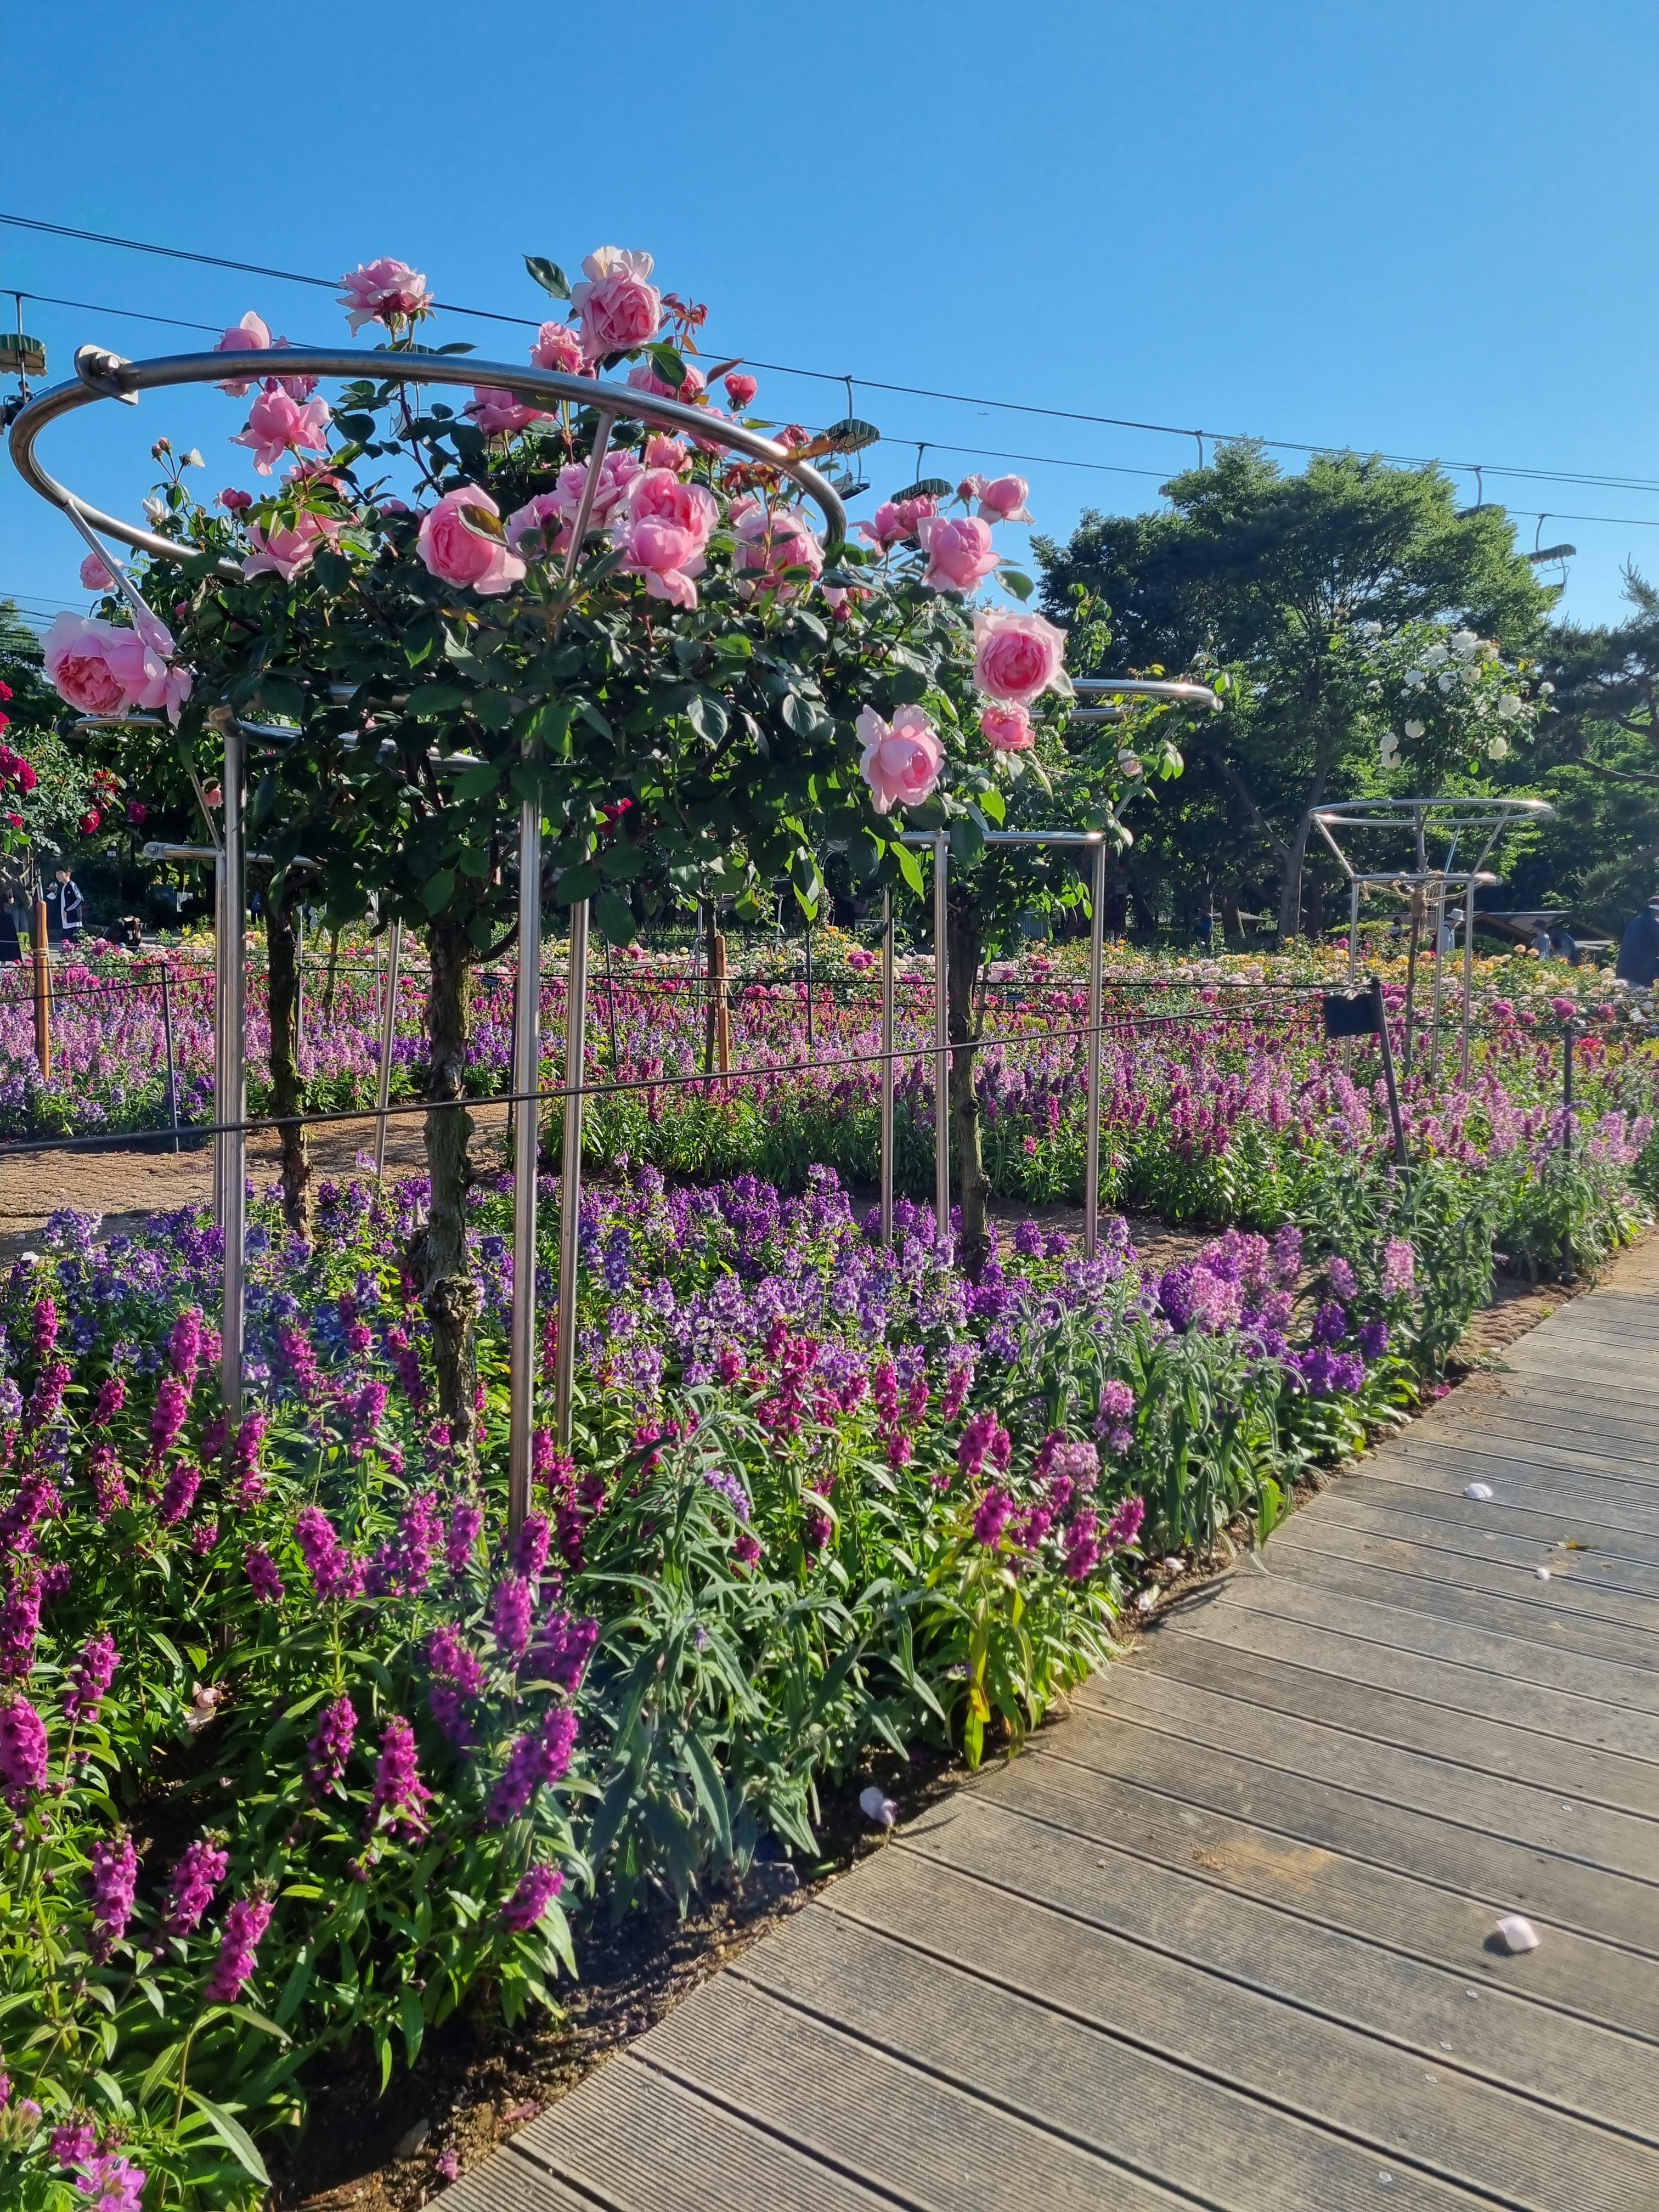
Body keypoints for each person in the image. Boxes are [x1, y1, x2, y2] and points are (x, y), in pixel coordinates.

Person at [1615, 897, 1659, 987]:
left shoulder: (1636, 922)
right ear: (1656, 911)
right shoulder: (1652, 924)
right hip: (1642, 975)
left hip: (1625, 972)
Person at [53, 865, 84, 952]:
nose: (58, 876)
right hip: (65, 922)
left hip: (73, 921)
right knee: (67, 947)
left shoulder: (72, 885)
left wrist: (68, 910)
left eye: (60, 873)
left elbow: (79, 899)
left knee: (75, 946)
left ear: (67, 874)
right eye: (57, 874)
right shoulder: (63, 887)